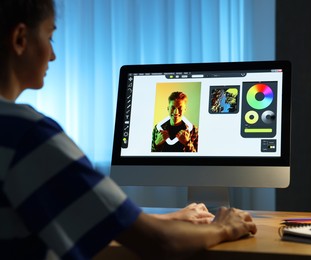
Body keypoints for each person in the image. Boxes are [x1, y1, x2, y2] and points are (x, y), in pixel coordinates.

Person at [0, 0, 257, 259]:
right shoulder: (28, 135)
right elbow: (159, 243)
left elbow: (96, 219)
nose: (53, 55)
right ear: (20, 39)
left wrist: (163, 219)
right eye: (50, 37)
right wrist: (225, 227)